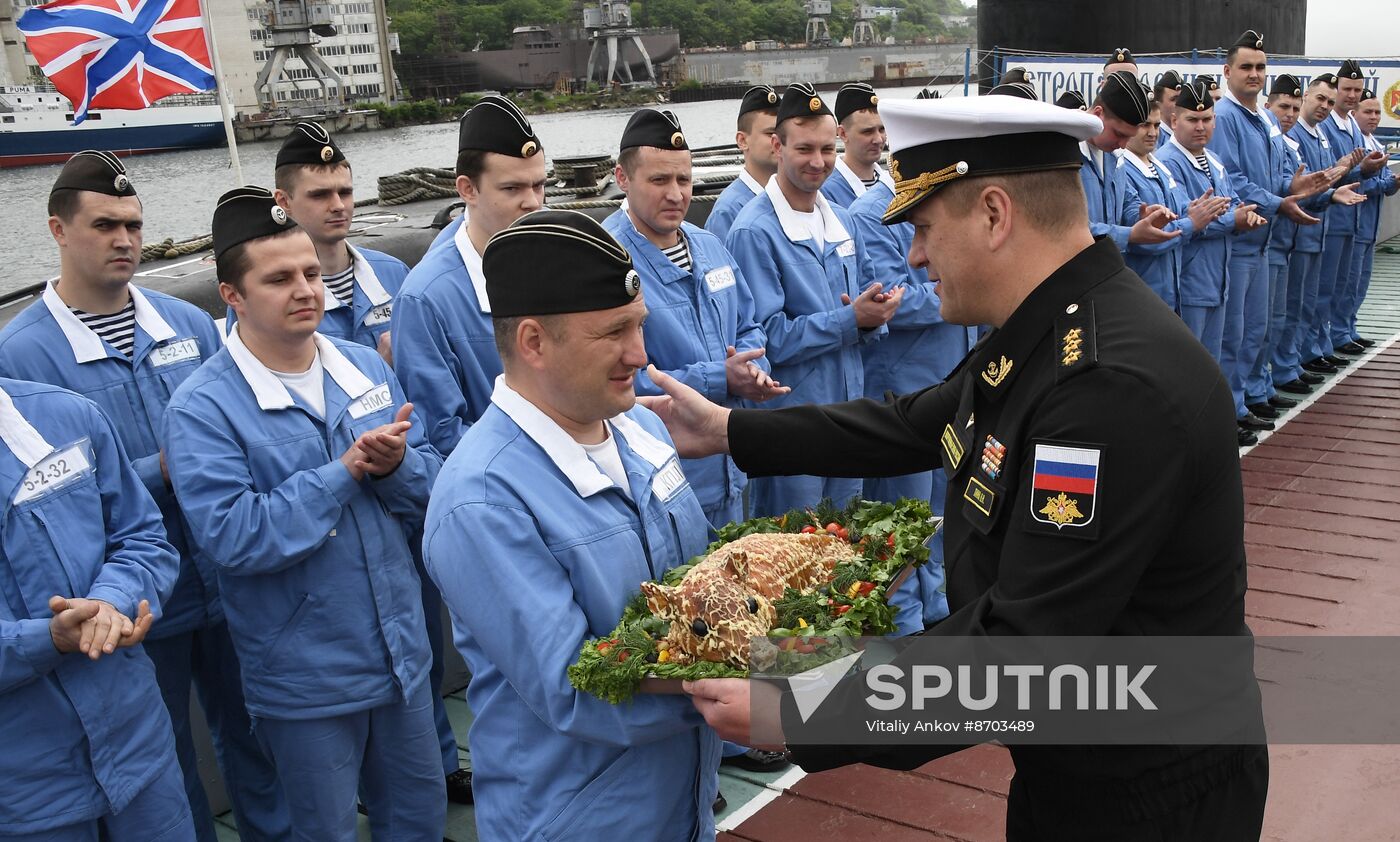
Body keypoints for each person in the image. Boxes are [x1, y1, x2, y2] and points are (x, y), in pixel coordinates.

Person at [643, 94, 1269, 842]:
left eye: (925, 229)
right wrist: (728, 431)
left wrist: (798, 704)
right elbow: (914, 423)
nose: (914, 257)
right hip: (1084, 765)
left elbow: (1023, 650)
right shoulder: (1052, 327)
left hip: (1147, 790)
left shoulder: (1107, 387)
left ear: (994, 214)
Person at [0, 152, 286, 841]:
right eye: (105, 225)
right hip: (125, 604)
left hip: (220, 570)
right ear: (58, 230)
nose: (124, 240)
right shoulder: (21, 355)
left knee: (256, 732)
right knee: (166, 758)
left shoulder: (188, 324)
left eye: (133, 224)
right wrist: (167, 468)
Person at [423, 209, 722, 841]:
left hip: (682, 792)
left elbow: (698, 586)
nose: (640, 354)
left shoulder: (640, 428)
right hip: (578, 815)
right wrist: (766, 686)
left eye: (639, 325)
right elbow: (576, 687)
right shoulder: (483, 500)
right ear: (533, 342)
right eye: (614, 332)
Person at [164, 187, 447, 840]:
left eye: (311, 273)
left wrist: (397, 467)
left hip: (401, 657)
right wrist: (343, 473)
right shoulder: (202, 409)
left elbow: (432, 484)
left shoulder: (361, 367)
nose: (305, 290)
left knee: (419, 820)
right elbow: (233, 536)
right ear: (231, 295)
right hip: (306, 681)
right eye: (279, 279)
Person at [0, 376, 193, 842]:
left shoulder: (67, 416)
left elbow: (141, 536)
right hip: (21, 789)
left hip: (138, 746)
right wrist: (44, 640)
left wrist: (112, 600)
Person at [725, 82, 903, 517]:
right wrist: (851, 319)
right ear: (777, 146)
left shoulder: (841, 220)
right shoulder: (754, 231)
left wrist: (877, 312)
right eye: (804, 149)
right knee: (794, 547)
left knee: (848, 541)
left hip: (847, 414)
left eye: (826, 149)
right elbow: (767, 339)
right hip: (792, 423)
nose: (818, 162)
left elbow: (862, 300)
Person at [604, 108, 787, 527]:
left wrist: (753, 368)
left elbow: (748, 324)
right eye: (659, 181)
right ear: (622, 178)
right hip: (665, 484)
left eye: (683, 180)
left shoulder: (708, 246)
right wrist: (720, 378)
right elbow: (611, 377)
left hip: (730, 467)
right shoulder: (606, 261)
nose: (676, 195)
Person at [393, 95, 547, 457]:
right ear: (467, 189)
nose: (533, 202)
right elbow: (442, 434)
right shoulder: (426, 299)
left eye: (539, 185)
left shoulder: (560, 262)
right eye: (512, 188)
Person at [1208, 30, 1331, 437]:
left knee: (1255, 331)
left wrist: (1296, 186)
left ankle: (1242, 400)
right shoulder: (1225, 118)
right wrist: (1280, 201)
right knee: (1233, 335)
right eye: (1246, 66)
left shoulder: (1264, 118)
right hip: (1239, 242)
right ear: (1227, 71)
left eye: (1260, 67)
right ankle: (1226, 412)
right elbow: (1233, 180)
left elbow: (1275, 175)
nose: (1254, 74)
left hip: (1262, 242)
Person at [1141, 81, 1268, 445]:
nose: (1201, 127)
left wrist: (1243, 215)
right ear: (1174, 120)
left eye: (1207, 119)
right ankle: (1191, 432)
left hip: (1218, 274)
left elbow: (1230, 203)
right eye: (1192, 120)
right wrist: (1232, 220)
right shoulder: (1169, 162)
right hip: (1192, 276)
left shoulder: (1213, 160)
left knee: (1220, 353)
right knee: (1191, 362)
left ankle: (1218, 421)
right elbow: (1188, 219)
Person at [235, 122, 408, 364]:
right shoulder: (258, 298)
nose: (338, 205)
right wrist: (378, 369)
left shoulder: (395, 275)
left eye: (345, 193)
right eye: (320, 195)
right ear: (283, 202)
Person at [1280, 74, 1363, 397]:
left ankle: (1302, 355)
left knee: (1309, 300)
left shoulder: (1320, 135)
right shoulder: (1295, 135)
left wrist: (1342, 171)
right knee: (1292, 304)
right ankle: (1287, 363)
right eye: (1320, 99)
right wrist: (1333, 182)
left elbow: (1326, 180)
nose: (1325, 106)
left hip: (1319, 229)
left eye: (1330, 101)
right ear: (1306, 97)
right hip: (1300, 231)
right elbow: (1302, 186)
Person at [1116, 99, 1231, 312]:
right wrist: (1192, 222)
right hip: (1143, 290)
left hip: (1171, 287)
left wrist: (1195, 211)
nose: (1152, 133)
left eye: (1156, 125)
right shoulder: (1122, 168)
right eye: (1144, 125)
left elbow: (1182, 210)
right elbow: (1146, 238)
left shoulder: (1159, 166)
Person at [1316, 60, 1391, 365]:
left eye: (1356, 90)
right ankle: (1322, 344)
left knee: (1346, 283)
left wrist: (1369, 170)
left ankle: (1339, 334)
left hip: (1354, 218)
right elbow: (1331, 173)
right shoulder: (1327, 126)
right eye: (1346, 89)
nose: (1351, 95)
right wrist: (1365, 170)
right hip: (1334, 217)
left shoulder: (1351, 127)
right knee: (1324, 288)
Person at [1079, 70, 1180, 251]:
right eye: (1119, 134)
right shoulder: (1065, 153)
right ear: (1098, 114)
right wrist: (1129, 235)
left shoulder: (1114, 154)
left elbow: (1127, 200)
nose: (1123, 145)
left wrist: (1143, 216)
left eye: (1129, 137)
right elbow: (1069, 227)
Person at [1337, 88, 1397, 353]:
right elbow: (1357, 184)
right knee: (1347, 283)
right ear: (1354, 113)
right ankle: (1339, 332)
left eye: (1377, 112)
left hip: (1370, 224)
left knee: (1360, 282)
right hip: (1355, 222)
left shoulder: (1375, 143)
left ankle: (1349, 328)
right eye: (1368, 112)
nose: (1373, 117)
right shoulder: (1356, 147)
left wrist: (1391, 183)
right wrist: (1386, 183)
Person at [706, 85, 780, 241]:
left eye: (783, 133)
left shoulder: (789, 198)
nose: (779, 140)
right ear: (742, 141)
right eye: (770, 133)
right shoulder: (728, 212)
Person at [820, 83, 891, 208]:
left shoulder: (891, 181)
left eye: (882, 129)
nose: (879, 139)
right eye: (867, 132)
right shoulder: (826, 192)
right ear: (842, 133)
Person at [1154, 69, 1185, 146]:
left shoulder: (1186, 134)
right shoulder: (1155, 138)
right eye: (1174, 99)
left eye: (1182, 98)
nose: (1180, 103)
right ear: (1158, 105)